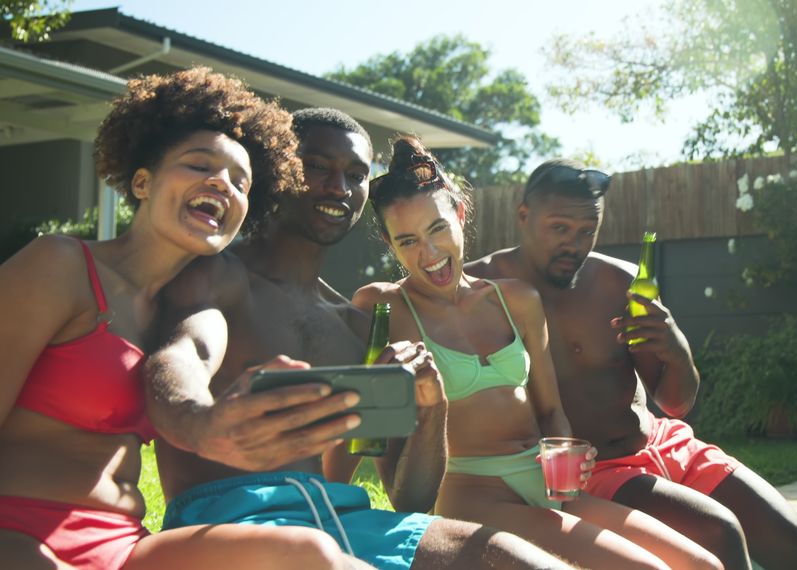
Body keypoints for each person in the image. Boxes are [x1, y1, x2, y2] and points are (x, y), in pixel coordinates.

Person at [143, 108, 571, 570]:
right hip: (228, 523)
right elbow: (181, 357)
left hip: (338, 521)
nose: (339, 186)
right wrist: (205, 425)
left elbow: (410, 497)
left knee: (509, 557)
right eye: (318, 167)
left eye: (356, 174)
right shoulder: (221, 276)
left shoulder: (353, 326)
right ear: (279, 168)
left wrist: (432, 407)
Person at [0, 68, 366, 569]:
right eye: (199, 165)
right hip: (18, 531)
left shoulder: (182, 307)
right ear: (142, 181)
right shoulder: (60, 266)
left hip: (126, 546)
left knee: (312, 553)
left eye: (242, 182)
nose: (222, 183)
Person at [352, 137, 722, 570]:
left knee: (703, 565)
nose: (429, 255)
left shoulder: (517, 300)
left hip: (546, 481)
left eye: (437, 229)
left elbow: (549, 409)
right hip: (474, 492)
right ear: (388, 242)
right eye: (407, 241)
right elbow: (372, 433)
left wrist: (568, 453)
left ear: (459, 213)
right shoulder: (382, 307)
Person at [466, 159, 797, 570]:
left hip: (664, 444)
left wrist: (676, 351)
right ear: (523, 216)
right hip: (593, 473)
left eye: (587, 231)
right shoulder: (479, 293)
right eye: (559, 228)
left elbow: (677, 404)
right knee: (720, 534)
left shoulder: (618, 283)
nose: (574, 244)